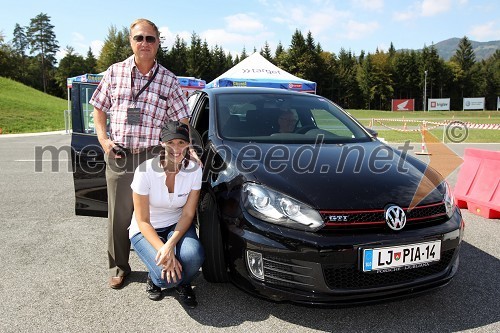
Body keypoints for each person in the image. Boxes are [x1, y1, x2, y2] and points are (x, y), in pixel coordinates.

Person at [89, 18, 191, 290]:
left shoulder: (169, 80)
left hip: (154, 158)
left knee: (154, 215)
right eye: (139, 38)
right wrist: (103, 140)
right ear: (130, 41)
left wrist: (187, 149)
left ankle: (153, 261)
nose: (144, 43)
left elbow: (182, 121)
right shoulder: (114, 72)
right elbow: (99, 107)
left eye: (150, 38)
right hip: (120, 156)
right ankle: (119, 267)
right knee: (119, 216)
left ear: (158, 43)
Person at [129, 121, 204, 307]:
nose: (176, 148)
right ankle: (157, 279)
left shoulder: (194, 170)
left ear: (188, 144)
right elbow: (143, 220)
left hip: (176, 225)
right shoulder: (144, 171)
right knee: (164, 280)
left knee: (194, 255)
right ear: (162, 143)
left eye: (181, 143)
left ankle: (182, 282)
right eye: (171, 142)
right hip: (146, 229)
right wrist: (163, 250)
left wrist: (169, 245)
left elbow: (187, 214)